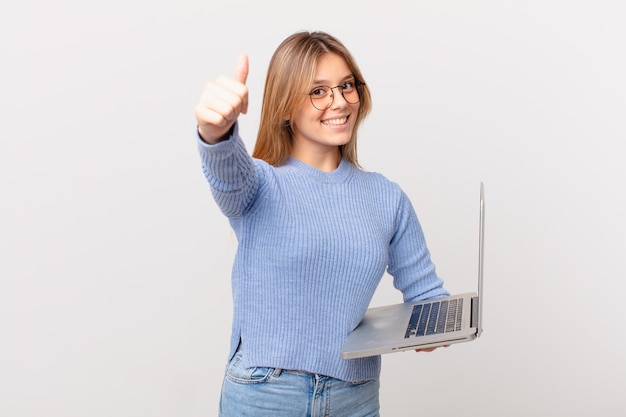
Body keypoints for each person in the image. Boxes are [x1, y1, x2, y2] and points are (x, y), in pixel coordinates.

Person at [194, 31, 449, 417]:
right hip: (268, 393)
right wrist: (216, 130)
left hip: (355, 398)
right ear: (285, 105)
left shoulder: (387, 197)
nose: (339, 101)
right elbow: (225, 168)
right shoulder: (260, 183)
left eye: (347, 86)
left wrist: (442, 323)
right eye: (318, 91)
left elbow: (427, 295)